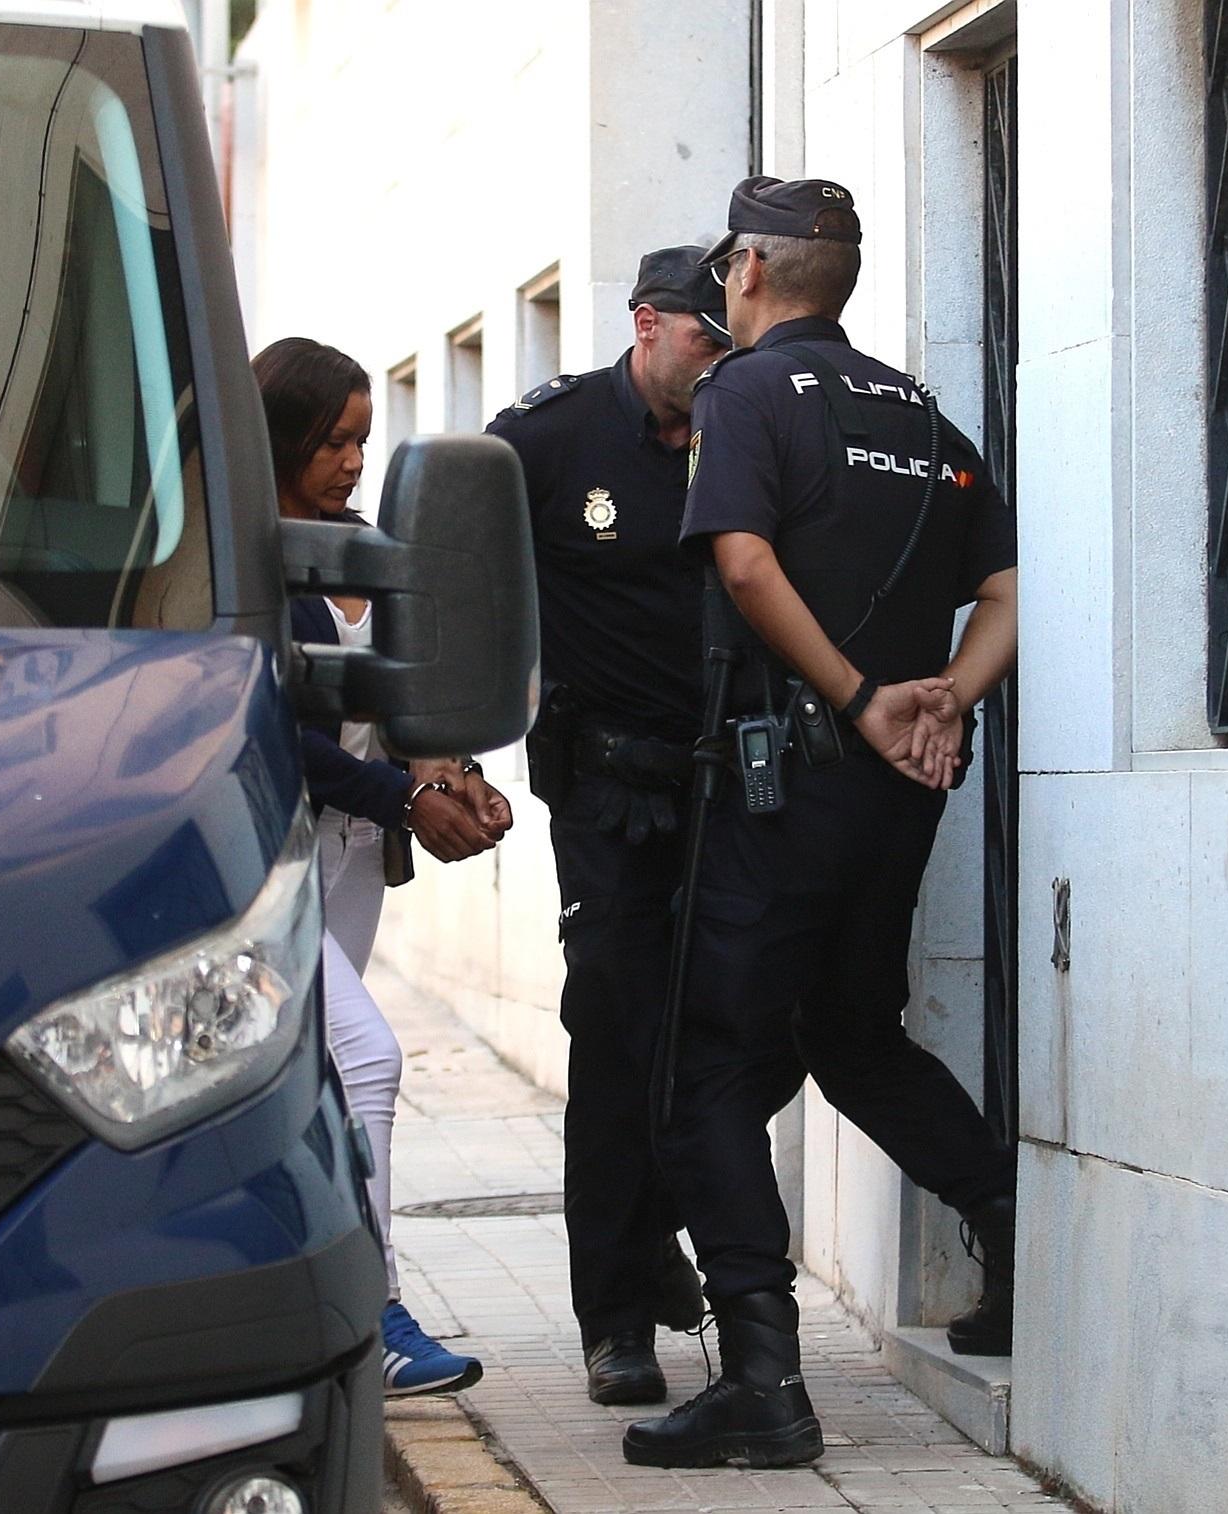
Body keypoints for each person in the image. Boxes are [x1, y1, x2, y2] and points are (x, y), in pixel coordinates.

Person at [621, 178, 1019, 1469]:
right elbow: (1005, 589)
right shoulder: (920, 411)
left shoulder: (742, 394)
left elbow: (741, 561)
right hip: (895, 796)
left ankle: (761, 1378)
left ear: (743, 270)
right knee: (851, 1032)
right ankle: (1008, 1221)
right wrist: (939, 699)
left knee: (705, 1068)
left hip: (783, 782)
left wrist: (854, 700)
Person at [484, 246, 730, 1407]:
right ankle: (617, 1314)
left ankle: (665, 1238)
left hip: (733, 788)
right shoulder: (548, 437)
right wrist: (441, 736)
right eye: (704, 337)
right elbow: (451, 575)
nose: (721, 357)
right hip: (609, 792)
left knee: (728, 1034)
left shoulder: (749, 429)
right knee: (619, 1031)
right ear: (646, 323)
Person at [253, 337, 515, 1397]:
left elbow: (414, 700)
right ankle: (375, 1310)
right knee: (365, 1058)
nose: (351, 460)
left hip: (351, 861)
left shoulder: (371, 550)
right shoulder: (245, 559)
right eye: (331, 439)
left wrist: (455, 768)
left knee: (305, 1085)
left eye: (362, 438)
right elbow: (275, 731)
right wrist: (407, 795)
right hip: (262, 860)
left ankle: (294, 1311)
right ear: (278, 436)